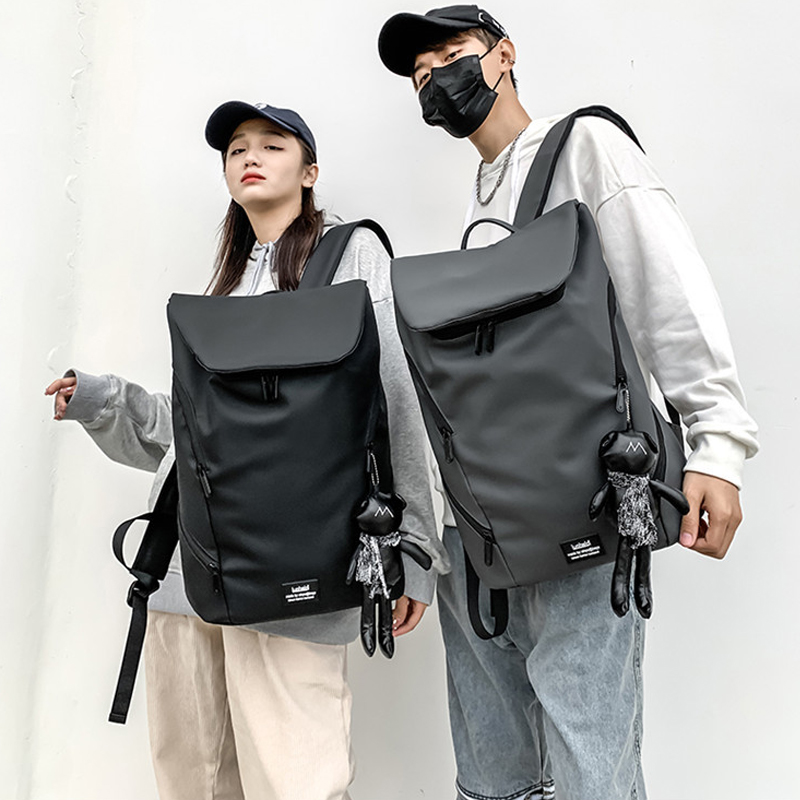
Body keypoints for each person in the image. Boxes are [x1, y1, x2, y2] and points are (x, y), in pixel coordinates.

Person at [378, 6, 758, 800]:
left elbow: (664, 286)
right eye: (419, 73)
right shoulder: (480, 201)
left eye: (451, 53)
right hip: (482, 526)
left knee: (590, 762)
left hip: (582, 507)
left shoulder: (583, 146)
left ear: (504, 55)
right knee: (495, 774)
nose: (435, 78)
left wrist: (718, 445)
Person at [45, 100, 447, 800]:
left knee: (298, 782)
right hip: (189, 571)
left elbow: (398, 398)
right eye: (236, 150)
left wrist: (414, 546)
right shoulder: (226, 283)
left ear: (310, 171)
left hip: (296, 573)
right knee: (192, 781)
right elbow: (195, 437)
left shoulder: (351, 256)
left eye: (271, 145)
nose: (250, 157)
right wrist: (103, 400)